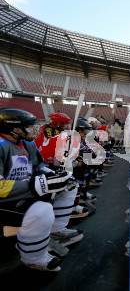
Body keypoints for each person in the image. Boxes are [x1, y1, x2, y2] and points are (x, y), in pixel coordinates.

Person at [0, 108, 82, 271]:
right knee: (42, 211)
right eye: (29, 126)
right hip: (6, 199)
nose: (35, 130)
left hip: (26, 190)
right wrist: (39, 184)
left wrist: (56, 176)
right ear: (14, 128)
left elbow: (39, 166)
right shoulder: (1, 146)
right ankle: (33, 258)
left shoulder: (28, 144)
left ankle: (57, 230)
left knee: (70, 186)